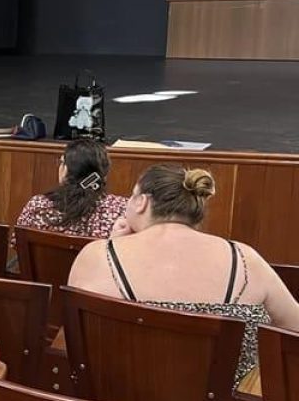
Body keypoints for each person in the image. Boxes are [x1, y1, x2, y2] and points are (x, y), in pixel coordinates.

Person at [69, 165, 299, 386]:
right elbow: (295, 326)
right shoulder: (246, 259)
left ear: (141, 202)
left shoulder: (99, 256)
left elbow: (75, 340)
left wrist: (111, 246)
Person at [14, 139, 127, 240]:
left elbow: (17, 243)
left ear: (66, 170)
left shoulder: (38, 206)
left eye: (62, 162)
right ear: (104, 175)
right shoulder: (121, 210)